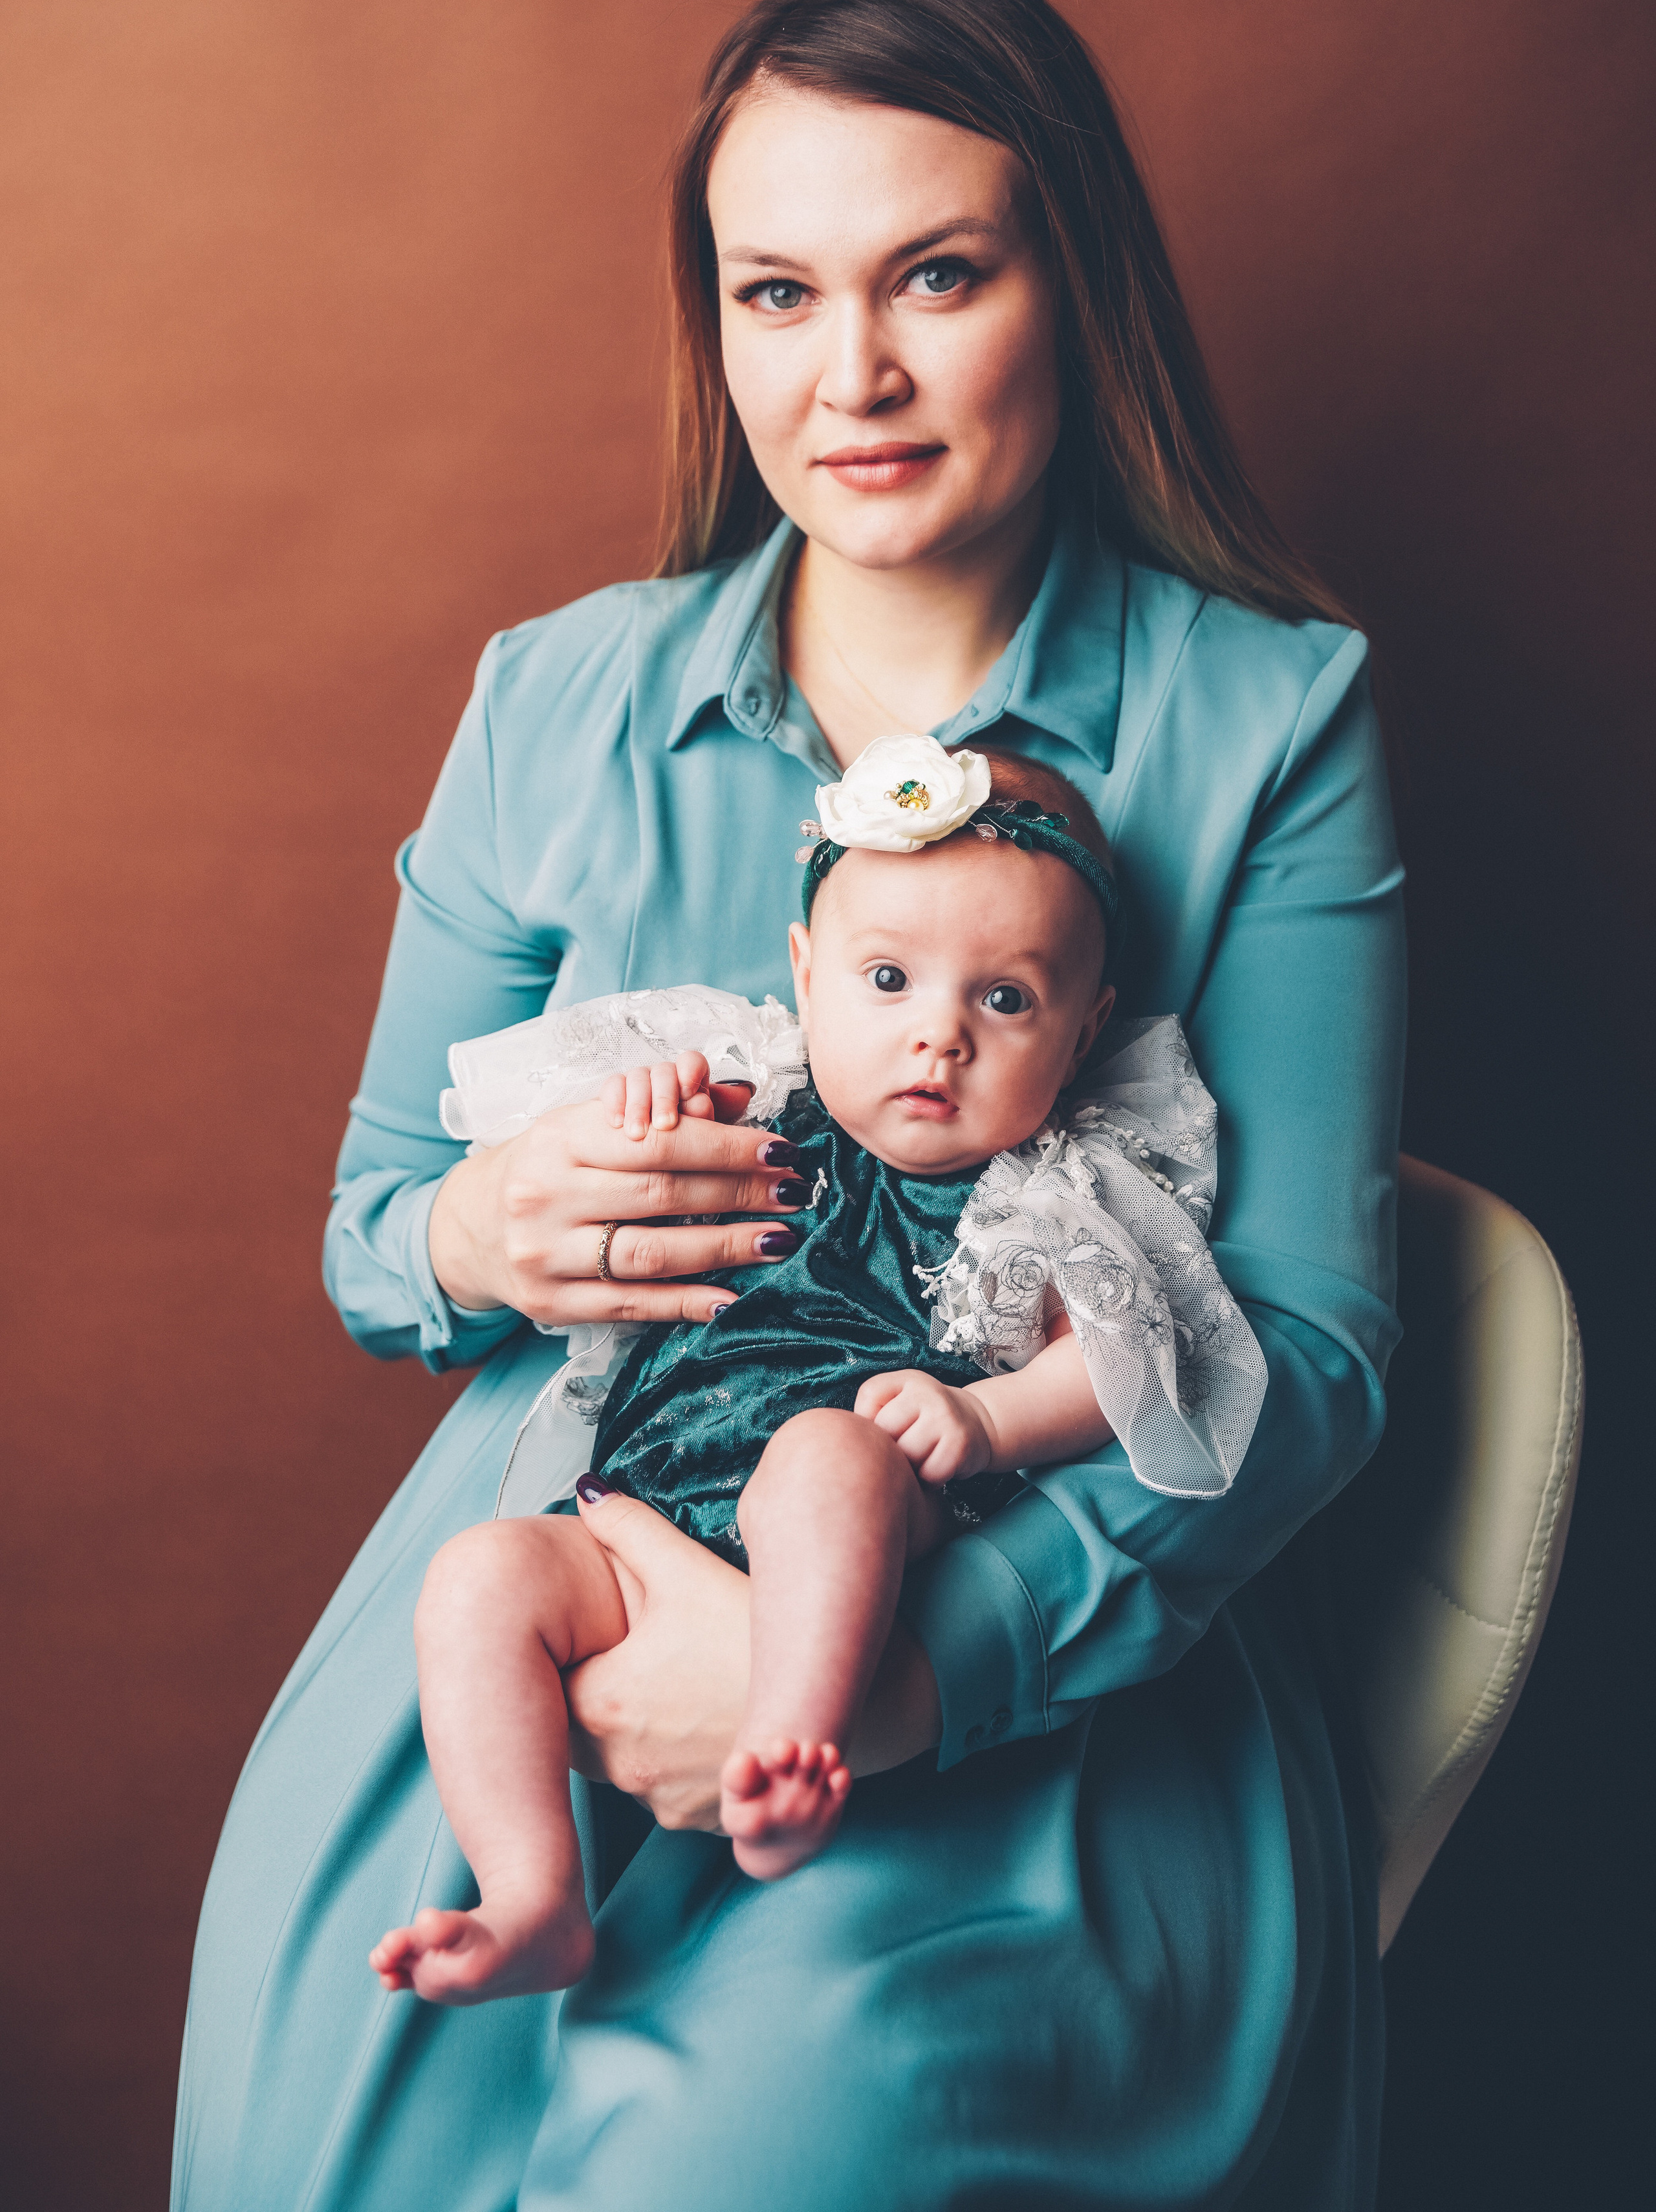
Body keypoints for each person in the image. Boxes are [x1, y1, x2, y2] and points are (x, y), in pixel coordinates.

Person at [172, 0, 1404, 2212]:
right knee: (310, 2120)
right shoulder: (556, 700)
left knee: (741, 2153)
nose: (852, 375)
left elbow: (1311, 1357)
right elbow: (373, 1242)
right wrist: (470, 1228)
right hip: (536, 1589)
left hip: (1016, 1659)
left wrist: (919, 1671)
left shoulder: (1273, 723)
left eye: (937, 275)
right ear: (717, 324)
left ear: (1075, 285)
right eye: (775, 293)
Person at [368, 738, 1269, 1995]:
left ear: (1081, 1032)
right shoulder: (762, 1099)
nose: (936, 1039)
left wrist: (989, 1417)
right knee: (477, 1580)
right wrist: (654, 1125)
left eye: (1002, 999)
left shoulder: (1045, 1195)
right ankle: (531, 1893)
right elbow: (607, 1202)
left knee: (821, 1452)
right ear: (806, 975)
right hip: (632, 1518)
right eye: (889, 979)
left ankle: (788, 1742)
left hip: (856, 1503)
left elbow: (1117, 1362)